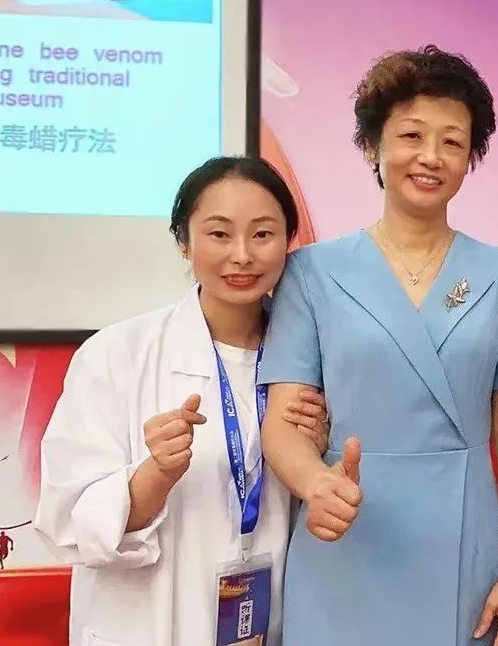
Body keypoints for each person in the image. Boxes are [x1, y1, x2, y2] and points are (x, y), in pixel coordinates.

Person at [259, 45, 498, 646]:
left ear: (470, 159)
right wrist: (315, 484)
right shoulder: (311, 272)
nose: (431, 156)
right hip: (344, 527)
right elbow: (284, 422)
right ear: (374, 145)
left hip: (465, 542)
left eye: (453, 142)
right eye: (412, 135)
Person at [34, 156, 332, 646]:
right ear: (183, 241)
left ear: (288, 241)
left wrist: (315, 454)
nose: (242, 255)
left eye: (262, 234)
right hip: (147, 626)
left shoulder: (312, 360)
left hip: (265, 622)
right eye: (219, 234)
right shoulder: (118, 355)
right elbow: (69, 521)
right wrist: (155, 474)